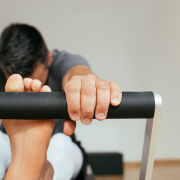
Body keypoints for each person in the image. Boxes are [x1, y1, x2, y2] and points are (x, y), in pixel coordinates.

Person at [0, 23, 122, 180]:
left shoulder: (59, 62)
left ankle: (46, 172)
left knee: (62, 144)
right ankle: (34, 168)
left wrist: (83, 82)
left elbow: (76, 70)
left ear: (49, 59)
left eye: (34, 83)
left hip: (57, 140)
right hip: (7, 141)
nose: (27, 93)